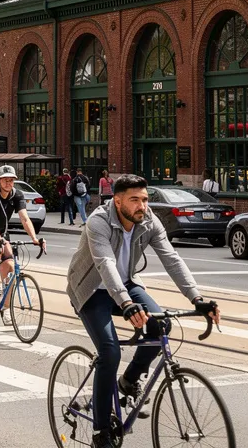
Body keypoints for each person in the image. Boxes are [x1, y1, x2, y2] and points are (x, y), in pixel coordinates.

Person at [66, 174, 218, 448]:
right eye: (134, 200)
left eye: (145, 199)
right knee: (110, 352)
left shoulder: (148, 221)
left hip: (126, 285)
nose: (142, 206)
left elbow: (172, 258)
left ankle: (129, 379)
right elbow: (105, 264)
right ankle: (101, 431)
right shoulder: (98, 221)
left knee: (162, 326)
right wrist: (125, 304)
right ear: (118, 200)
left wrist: (197, 298)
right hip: (92, 290)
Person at [0, 166, 43, 297]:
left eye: (11, 180)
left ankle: (5, 306)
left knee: (10, 265)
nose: (8, 183)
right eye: (5, 180)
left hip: (2, 233)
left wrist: (34, 238)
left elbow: (24, 218)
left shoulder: (17, 195)